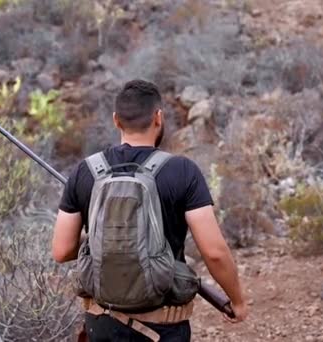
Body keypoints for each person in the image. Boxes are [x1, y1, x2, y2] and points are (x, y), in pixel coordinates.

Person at [52, 79, 248, 341]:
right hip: (162, 328)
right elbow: (213, 253)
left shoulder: (84, 171)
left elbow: (62, 250)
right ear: (158, 117)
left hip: (101, 325)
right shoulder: (183, 171)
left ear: (116, 120)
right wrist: (237, 300)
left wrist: (108, 234)